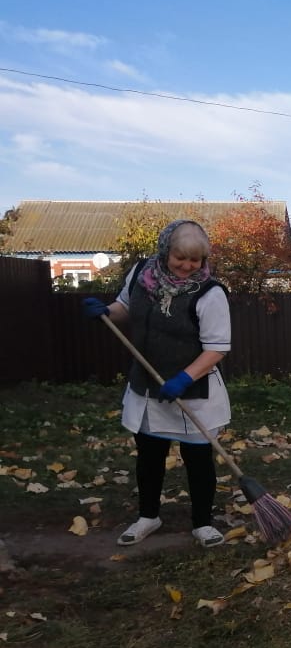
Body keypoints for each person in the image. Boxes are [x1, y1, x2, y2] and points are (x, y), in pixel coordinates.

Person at [83, 219, 231, 548]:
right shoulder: (141, 275)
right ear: (165, 252)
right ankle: (148, 516)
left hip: (194, 391)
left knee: (198, 458)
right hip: (146, 385)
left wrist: (184, 378)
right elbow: (125, 307)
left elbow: (217, 348)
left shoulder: (210, 292)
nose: (187, 266)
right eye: (181, 258)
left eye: (196, 261)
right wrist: (106, 311)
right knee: (149, 454)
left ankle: (203, 523)